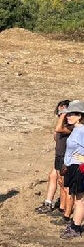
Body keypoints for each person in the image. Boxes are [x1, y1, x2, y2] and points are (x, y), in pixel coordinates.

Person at [36, 100, 71, 217]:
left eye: (64, 112)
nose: (61, 114)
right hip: (59, 157)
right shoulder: (62, 126)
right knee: (53, 177)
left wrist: (63, 116)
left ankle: (64, 209)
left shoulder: (70, 128)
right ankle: (49, 203)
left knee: (64, 184)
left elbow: (58, 130)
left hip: (66, 159)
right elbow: (56, 137)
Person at [59, 100, 84, 239]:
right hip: (72, 167)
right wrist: (66, 164)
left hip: (79, 168)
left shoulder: (82, 131)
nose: (68, 117)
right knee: (75, 198)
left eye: (72, 114)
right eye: (68, 114)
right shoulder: (75, 130)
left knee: (80, 200)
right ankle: (75, 224)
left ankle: (76, 227)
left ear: (80, 116)